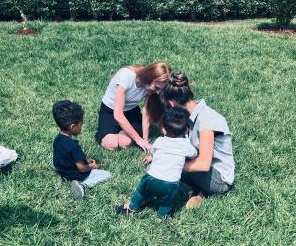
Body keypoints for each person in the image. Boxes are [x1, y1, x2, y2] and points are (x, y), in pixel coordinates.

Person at [161, 72, 235, 208]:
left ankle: (198, 192)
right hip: (201, 171)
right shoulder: (188, 117)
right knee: (159, 168)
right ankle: (197, 192)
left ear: (171, 103)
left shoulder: (206, 119)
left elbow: (204, 164)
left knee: (167, 169)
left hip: (218, 180)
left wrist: (173, 164)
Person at [116, 107, 197, 220]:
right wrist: (187, 139)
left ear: (163, 129)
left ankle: (132, 206)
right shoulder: (186, 145)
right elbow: (193, 154)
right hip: (170, 184)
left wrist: (152, 157)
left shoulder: (159, 140)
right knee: (167, 202)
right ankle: (162, 216)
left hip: (151, 178)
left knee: (140, 192)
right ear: (186, 130)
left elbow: (154, 152)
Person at [96, 62, 171, 152]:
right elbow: (118, 115)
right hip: (110, 111)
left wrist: (145, 140)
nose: (158, 92)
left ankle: (121, 131)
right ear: (149, 78)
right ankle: (104, 133)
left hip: (131, 112)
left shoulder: (150, 89)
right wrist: (138, 140)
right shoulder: (126, 76)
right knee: (112, 144)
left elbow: (146, 113)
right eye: (156, 87)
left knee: (125, 143)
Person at [52, 100, 111, 199]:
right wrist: (91, 166)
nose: (81, 127)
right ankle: (83, 186)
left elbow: (68, 156)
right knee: (107, 174)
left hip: (62, 170)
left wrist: (85, 160)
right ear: (73, 127)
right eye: (81, 124)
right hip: (74, 175)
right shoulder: (73, 146)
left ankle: (59, 168)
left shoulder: (57, 139)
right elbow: (82, 168)